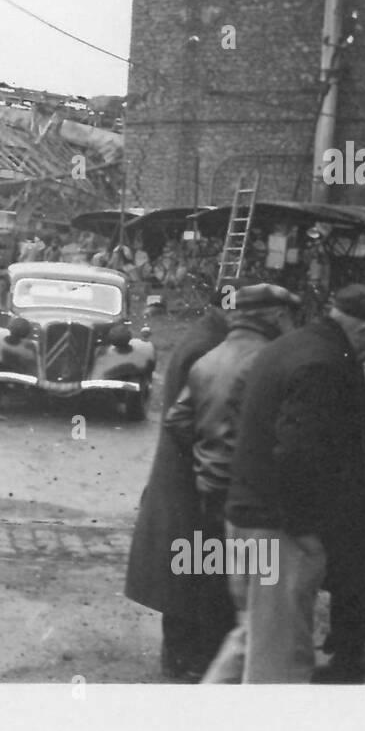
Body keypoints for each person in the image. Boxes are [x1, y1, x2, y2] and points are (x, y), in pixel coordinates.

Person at [223, 284, 365, 683]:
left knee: (252, 642)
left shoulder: (287, 347)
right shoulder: (326, 363)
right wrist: (304, 529)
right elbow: (298, 456)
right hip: (281, 531)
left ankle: (197, 726)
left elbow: (240, 416)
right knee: (279, 666)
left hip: (249, 516)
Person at [158, 283, 301, 684]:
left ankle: (206, 661)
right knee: (248, 589)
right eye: (288, 317)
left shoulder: (210, 358)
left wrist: (207, 454)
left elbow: (176, 420)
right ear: (274, 316)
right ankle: (231, 671)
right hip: (245, 491)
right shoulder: (268, 361)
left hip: (210, 486)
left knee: (212, 577)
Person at [124, 277, 247, 680]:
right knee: (191, 578)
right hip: (191, 479)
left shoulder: (205, 338)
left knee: (186, 576)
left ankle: (181, 659)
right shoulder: (210, 348)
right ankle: (182, 663)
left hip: (183, 476)